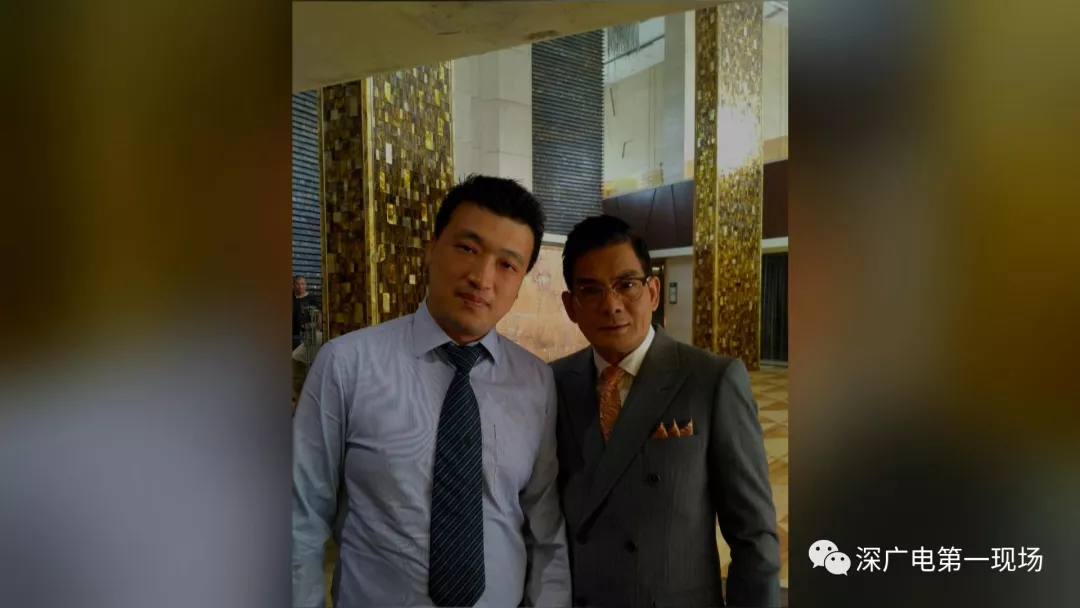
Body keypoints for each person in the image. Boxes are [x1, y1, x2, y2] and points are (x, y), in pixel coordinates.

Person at [292, 175, 571, 608]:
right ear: (432, 248)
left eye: (507, 265)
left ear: (521, 282)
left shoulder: (536, 381)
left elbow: (545, 527)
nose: (482, 278)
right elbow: (300, 518)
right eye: (468, 248)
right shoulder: (346, 365)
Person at [551, 215, 781, 608]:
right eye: (590, 291)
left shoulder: (711, 380)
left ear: (653, 292)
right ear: (571, 306)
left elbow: (753, 535)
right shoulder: (552, 383)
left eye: (627, 285)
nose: (611, 305)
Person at [292, 275, 321, 350]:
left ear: (306, 285)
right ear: (294, 285)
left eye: (302, 284)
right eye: (298, 284)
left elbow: (318, 313)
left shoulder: (311, 298)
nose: (300, 286)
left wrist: (318, 329)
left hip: (307, 334)